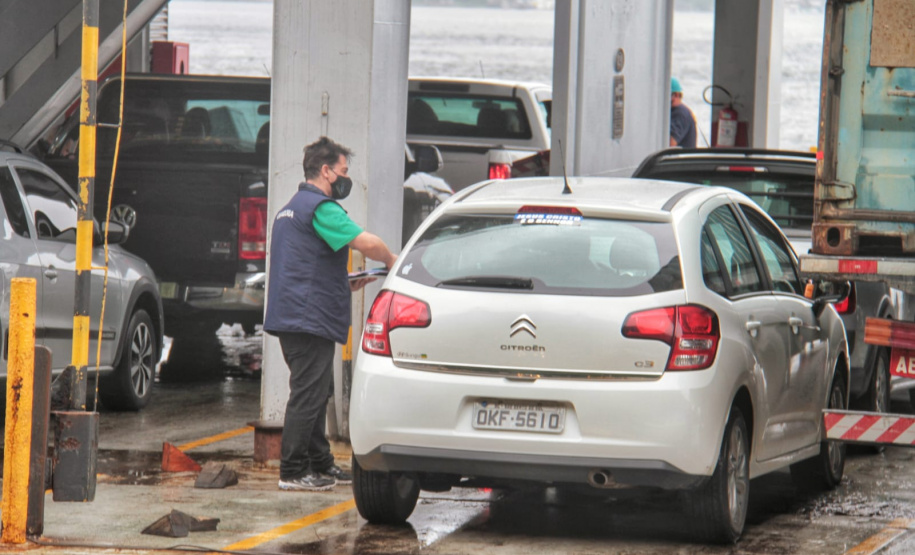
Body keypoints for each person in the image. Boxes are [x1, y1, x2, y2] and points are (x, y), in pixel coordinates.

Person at [264, 136, 398, 492]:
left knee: (315, 391)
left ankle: (320, 464)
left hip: (293, 316)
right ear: (325, 171)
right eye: (342, 171)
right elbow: (365, 242)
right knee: (307, 395)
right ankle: (293, 471)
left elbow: (304, 264)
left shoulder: (291, 207)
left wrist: (344, 281)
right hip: (308, 319)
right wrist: (390, 260)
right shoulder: (321, 208)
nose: (344, 178)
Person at [670, 77, 697, 149]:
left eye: (670, 95)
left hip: (681, 159)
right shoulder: (673, 111)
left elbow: (670, 143)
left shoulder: (680, 113)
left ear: (677, 95)